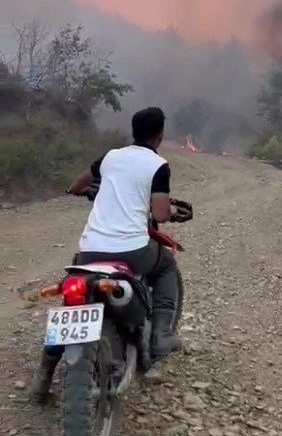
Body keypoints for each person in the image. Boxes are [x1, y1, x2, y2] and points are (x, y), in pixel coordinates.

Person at [33, 106, 182, 402]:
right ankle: (162, 336)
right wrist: (171, 212)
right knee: (166, 265)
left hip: (89, 250)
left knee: (71, 301)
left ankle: (43, 376)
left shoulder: (111, 157)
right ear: (160, 135)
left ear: (133, 131)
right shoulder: (158, 165)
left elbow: (78, 184)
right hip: (133, 249)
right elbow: (161, 213)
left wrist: (75, 190)